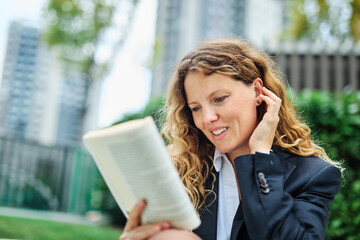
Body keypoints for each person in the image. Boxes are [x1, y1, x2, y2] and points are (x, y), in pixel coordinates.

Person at [119, 38, 342, 240]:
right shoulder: (180, 173)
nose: (207, 118)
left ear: (257, 92)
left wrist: (260, 155)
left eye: (219, 99)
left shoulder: (312, 175)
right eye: (196, 108)